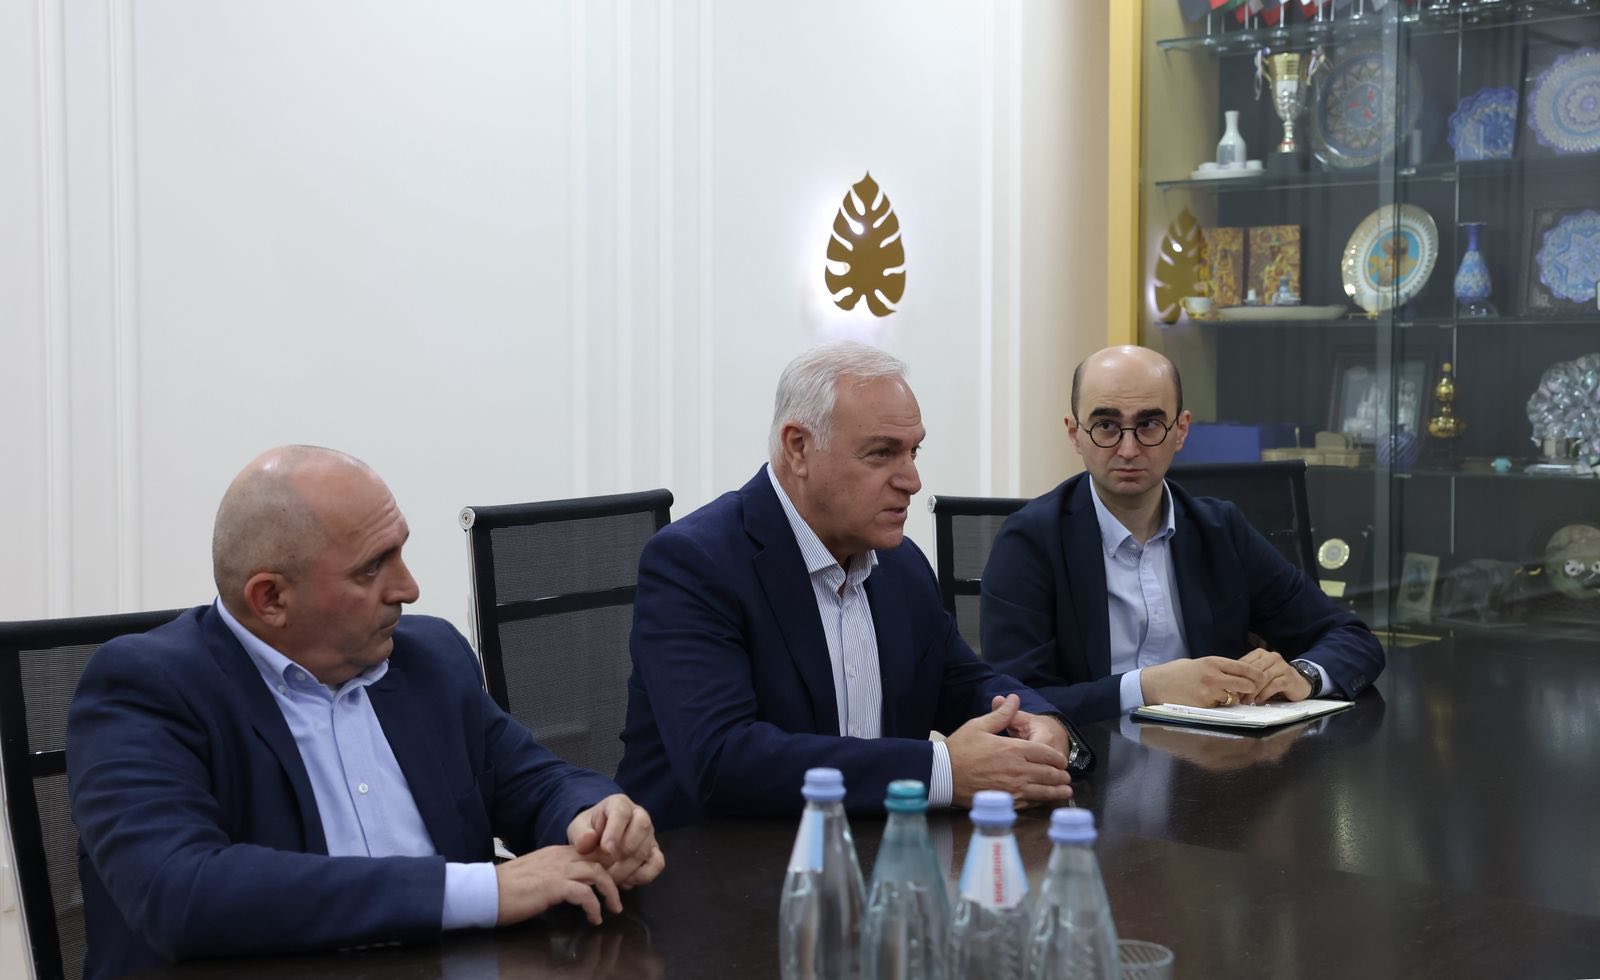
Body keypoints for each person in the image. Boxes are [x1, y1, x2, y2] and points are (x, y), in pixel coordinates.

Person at [67, 446, 665, 980]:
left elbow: (531, 780)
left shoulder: (427, 657)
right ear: (270, 598)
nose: (408, 588)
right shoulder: (147, 688)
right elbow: (182, 892)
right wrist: (485, 890)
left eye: (400, 551)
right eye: (372, 567)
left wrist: (593, 819)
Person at [614, 342, 1091, 830]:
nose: (912, 480)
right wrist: (941, 772)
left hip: (872, 848)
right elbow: (722, 759)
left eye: (913, 451)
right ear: (798, 447)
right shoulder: (695, 562)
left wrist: (1042, 722)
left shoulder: (901, 564)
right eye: (882, 453)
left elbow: (964, 682)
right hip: (712, 861)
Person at [979, 345, 1384, 724]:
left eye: (1149, 425)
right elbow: (1013, 699)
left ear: (1181, 430)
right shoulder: (1030, 541)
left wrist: (1304, 675)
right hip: (1089, 760)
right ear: (1074, 434)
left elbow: (1351, 638)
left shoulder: (1221, 530)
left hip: (1214, 760)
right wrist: (1145, 688)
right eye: (1106, 426)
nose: (1128, 449)